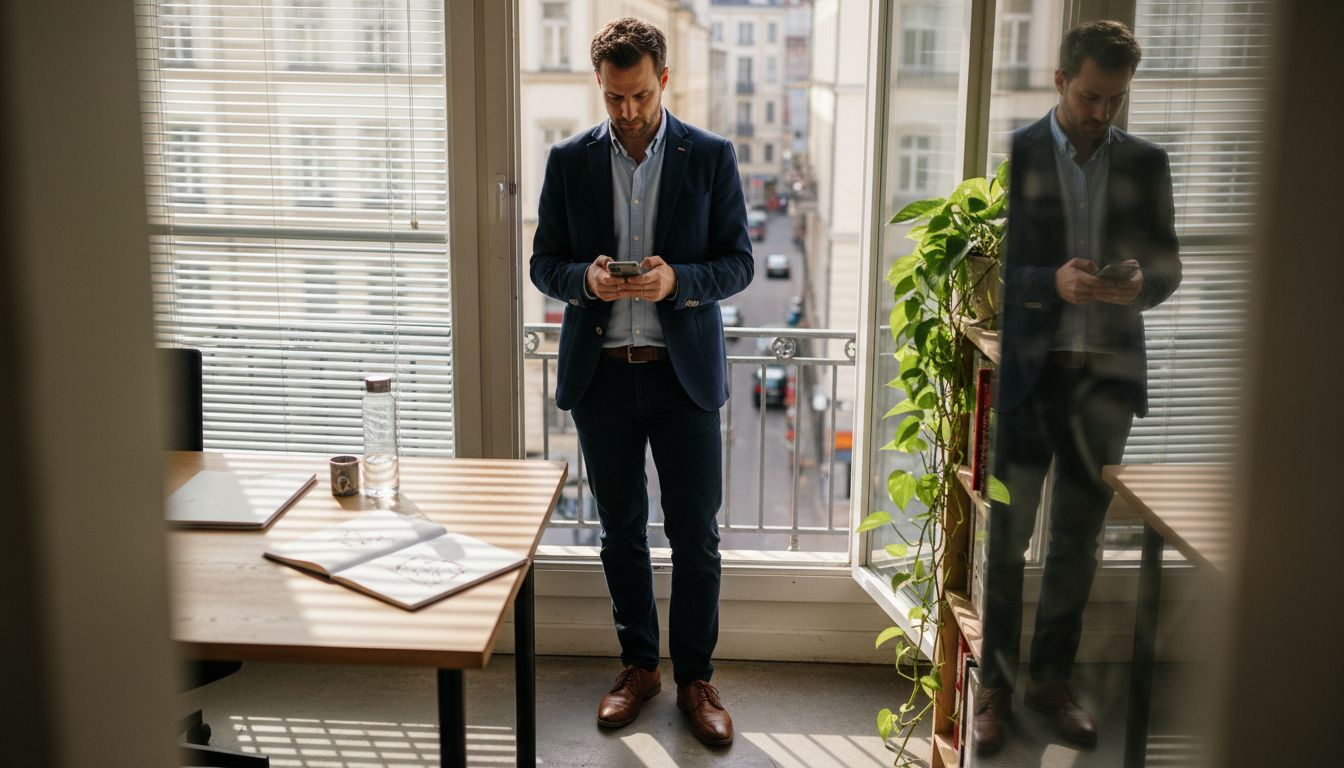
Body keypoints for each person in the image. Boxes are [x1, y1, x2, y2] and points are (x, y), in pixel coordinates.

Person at [528, 17, 753, 747]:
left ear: (664, 80)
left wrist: (677, 281)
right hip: (602, 379)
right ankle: (638, 667)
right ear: (598, 83)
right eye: (614, 97)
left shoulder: (710, 155)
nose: (628, 111)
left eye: (641, 96)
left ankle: (696, 679)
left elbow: (739, 263)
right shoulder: (568, 160)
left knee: (696, 536)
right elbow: (543, 263)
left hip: (682, 380)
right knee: (620, 532)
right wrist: (585, 280)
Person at [974, 20, 1182, 755]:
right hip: (1030, 386)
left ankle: (1051, 684)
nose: (1102, 112)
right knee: (1007, 540)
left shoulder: (1148, 163)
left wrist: (1140, 287)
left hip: (1106, 386)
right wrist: (1050, 283)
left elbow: (1169, 267)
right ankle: (994, 690)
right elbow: (991, 275)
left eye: (1115, 99)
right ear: (1061, 81)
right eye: (1091, 96)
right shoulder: (1018, 150)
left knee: (1076, 543)